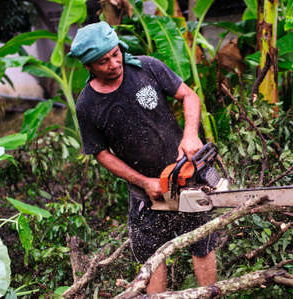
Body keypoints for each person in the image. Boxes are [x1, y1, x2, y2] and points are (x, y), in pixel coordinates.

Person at [68, 21, 217, 293]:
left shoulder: (146, 67)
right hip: (146, 192)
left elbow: (188, 95)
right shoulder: (87, 105)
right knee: (152, 256)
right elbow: (100, 153)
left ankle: (209, 294)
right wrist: (144, 182)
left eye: (116, 54)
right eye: (104, 61)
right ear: (88, 66)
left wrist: (190, 135)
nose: (114, 63)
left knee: (202, 243)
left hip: (185, 174)